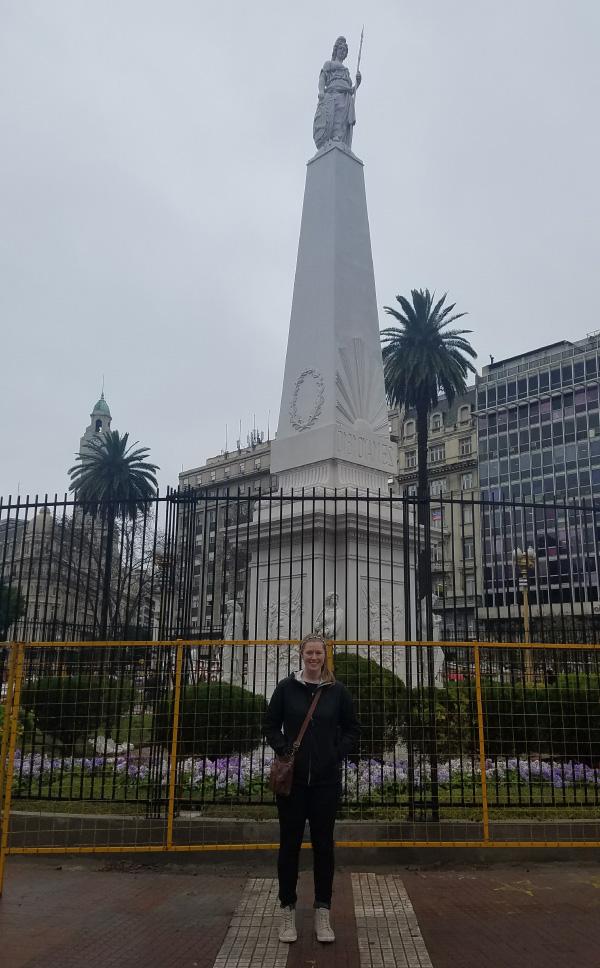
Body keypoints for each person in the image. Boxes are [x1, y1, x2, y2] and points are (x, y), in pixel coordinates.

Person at [264, 633, 360, 944]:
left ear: (325, 656)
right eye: (309, 653)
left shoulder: (337, 691)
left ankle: (323, 911)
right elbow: (269, 724)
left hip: (324, 782)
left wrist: (335, 753)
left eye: (319, 653)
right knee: (289, 846)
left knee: (324, 847)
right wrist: (284, 750)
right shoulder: (286, 688)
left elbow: (352, 728)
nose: (314, 658)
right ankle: (287, 910)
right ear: (301, 655)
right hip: (293, 784)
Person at [313, 36, 361, 151]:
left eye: (345, 50)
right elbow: (322, 78)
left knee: (341, 123)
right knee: (332, 118)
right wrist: (321, 91)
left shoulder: (346, 71)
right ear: (336, 50)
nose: (343, 52)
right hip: (332, 94)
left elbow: (351, 89)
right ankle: (330, 141)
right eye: (341, 49)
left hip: (345, 97)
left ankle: (338, 140)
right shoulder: (328, 64)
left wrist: (358, 83)